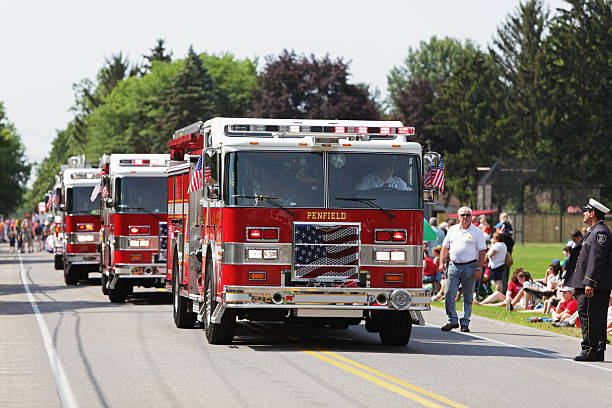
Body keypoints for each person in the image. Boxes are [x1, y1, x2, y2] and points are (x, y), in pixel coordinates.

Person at [564, 198, 612, 362]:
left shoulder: (600, 233)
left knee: (589, 316)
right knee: (595, 316)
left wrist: (590, 282)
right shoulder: (594, 231)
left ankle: (590, 350)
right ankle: (597, 350)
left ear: (592, 213)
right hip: (592, 284)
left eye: (586, 210)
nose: (583, 213)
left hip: (593, 285)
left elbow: (596, 260)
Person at [438, 206, 487, 332]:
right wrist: (441, 262)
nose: (465, 217)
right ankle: (452, 320)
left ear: (471, 217)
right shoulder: (453, 230)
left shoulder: (476, 232)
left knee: (468, 295)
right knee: (449, 293)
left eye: (467, 215)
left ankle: (465, 322)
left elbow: (482, 251)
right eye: (462, 215)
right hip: (453, 265)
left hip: (470, 266)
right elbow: (445, 247)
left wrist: (479, 268)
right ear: (458, 217)